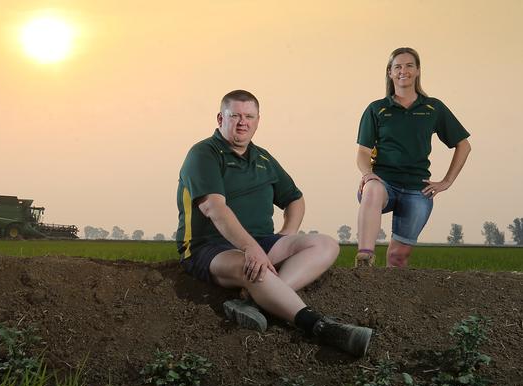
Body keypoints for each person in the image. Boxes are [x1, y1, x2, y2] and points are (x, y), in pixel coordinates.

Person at [175, 89, 372, 357]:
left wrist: (286, 235)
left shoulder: (263, 159)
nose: (242, 122)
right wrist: (249, 248)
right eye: (235, 116)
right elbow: (214, 207)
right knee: (254, 268)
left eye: (249, 116)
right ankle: (319, 326)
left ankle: (253, 302)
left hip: (261, 241)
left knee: (326, 244)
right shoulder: (203, 154)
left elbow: (295, 199)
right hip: (208, 248)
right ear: (221, 118)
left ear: (258, 121)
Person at [355, 47, 471, 267]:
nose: (403, 71)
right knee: (372, 187)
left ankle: (393, 299)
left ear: (418, 71)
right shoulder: (376, 109)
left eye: (409, 65)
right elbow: (362, 152)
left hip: (418, 189)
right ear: (389, 72)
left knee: (398, 257)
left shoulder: (433, 108)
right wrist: (368, 174)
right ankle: (365, 257)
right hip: (384, 183)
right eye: (397, 66)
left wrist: (447, 181)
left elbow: (463, 145)